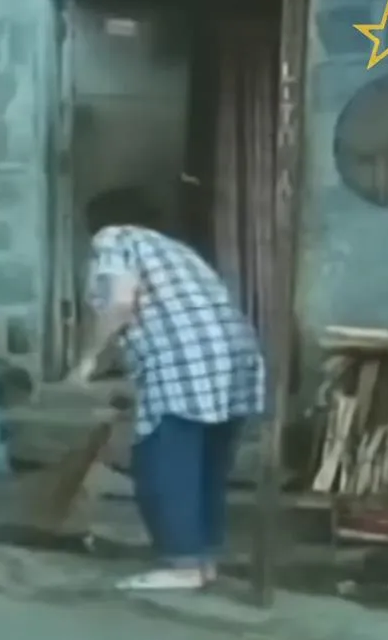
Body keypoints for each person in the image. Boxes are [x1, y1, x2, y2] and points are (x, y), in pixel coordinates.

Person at [68, 187, 266, 591]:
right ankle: (203, 559)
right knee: (207, 463)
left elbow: (120, 304)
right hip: (237, 355)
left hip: (184, 359)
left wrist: (89, 360)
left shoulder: (115, 237)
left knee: (164, 462)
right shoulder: (177, 251)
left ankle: (182, 565)